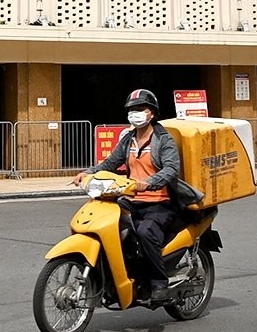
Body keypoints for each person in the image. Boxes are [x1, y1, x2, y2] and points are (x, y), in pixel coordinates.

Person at [73, 88, 202, 299]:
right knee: (108, 225)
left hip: (160, 202)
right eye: (131, 109)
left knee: (145, 232)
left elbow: (170, 169)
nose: (134, 113)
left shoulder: (163, 140)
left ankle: (159, 284)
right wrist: (88, 173)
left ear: (151, 113)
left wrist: (149, 182)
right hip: (132, 200)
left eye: (140, 109)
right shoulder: (128, 139)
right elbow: (111, 163)